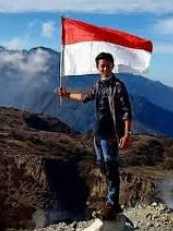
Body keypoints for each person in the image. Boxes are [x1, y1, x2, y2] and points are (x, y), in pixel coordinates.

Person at [57, 51, 133, 220]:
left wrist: (127, 133)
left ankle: (112, 204)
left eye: (107, 65)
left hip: (111, 136)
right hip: (98, 134)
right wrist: (66, 94)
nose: (104, 67)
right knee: (103, 166)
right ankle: (113, 202)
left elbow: (127, 111)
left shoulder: (118, 86)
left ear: (112, 66)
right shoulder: (99, 85)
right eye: (101, 65)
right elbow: (85, 97)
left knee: (111, 168)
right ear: (97, 67)